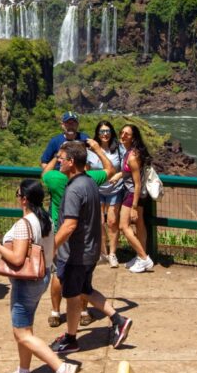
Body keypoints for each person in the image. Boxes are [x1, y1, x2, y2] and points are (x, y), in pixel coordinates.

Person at [0, 178, 78, 373]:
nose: (17, 197)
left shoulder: (24, 224)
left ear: (24, 199)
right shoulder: (46, 218)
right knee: (25, 327)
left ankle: (60, 368)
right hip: (42, 277)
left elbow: (18, 259)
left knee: (21, 333)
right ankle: (24, 371)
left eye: (18, 194)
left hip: (26, 282)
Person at [49, 141, 134, 356]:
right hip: (90, 251)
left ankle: (70, 339)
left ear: (71, 162)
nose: (59, 160)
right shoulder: (89, 183)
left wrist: (51, 248)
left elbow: (69, 225)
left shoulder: (74, 189)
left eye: (61, 158)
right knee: (85, 289)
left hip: (75, 254)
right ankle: (118, 319)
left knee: (72, 296)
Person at [117, 124, 154, 273]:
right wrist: (117, 176)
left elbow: (137, 183)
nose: (123, 136)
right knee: (140, 224)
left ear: (133, 138)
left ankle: (144, 258)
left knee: (123, 227)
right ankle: (140, 257)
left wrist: (133, 206)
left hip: (132, 194)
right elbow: (128, 173)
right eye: (122, 132)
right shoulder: (130, 152)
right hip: (135, 194)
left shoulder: (132, 156)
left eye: (127, 134)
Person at [93, 121, 125, 268]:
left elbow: (127, 167)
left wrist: (118, 175)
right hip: (97, 190)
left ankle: (112, 254)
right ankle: (102, 253)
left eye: (107, 131)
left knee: (112, 222)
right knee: (99, 223)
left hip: (115, 190)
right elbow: (87, 169)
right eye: (101, 131)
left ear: (111, 132)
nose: (105, 134)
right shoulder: (91, 150)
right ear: (97, 134)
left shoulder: (119, 148)